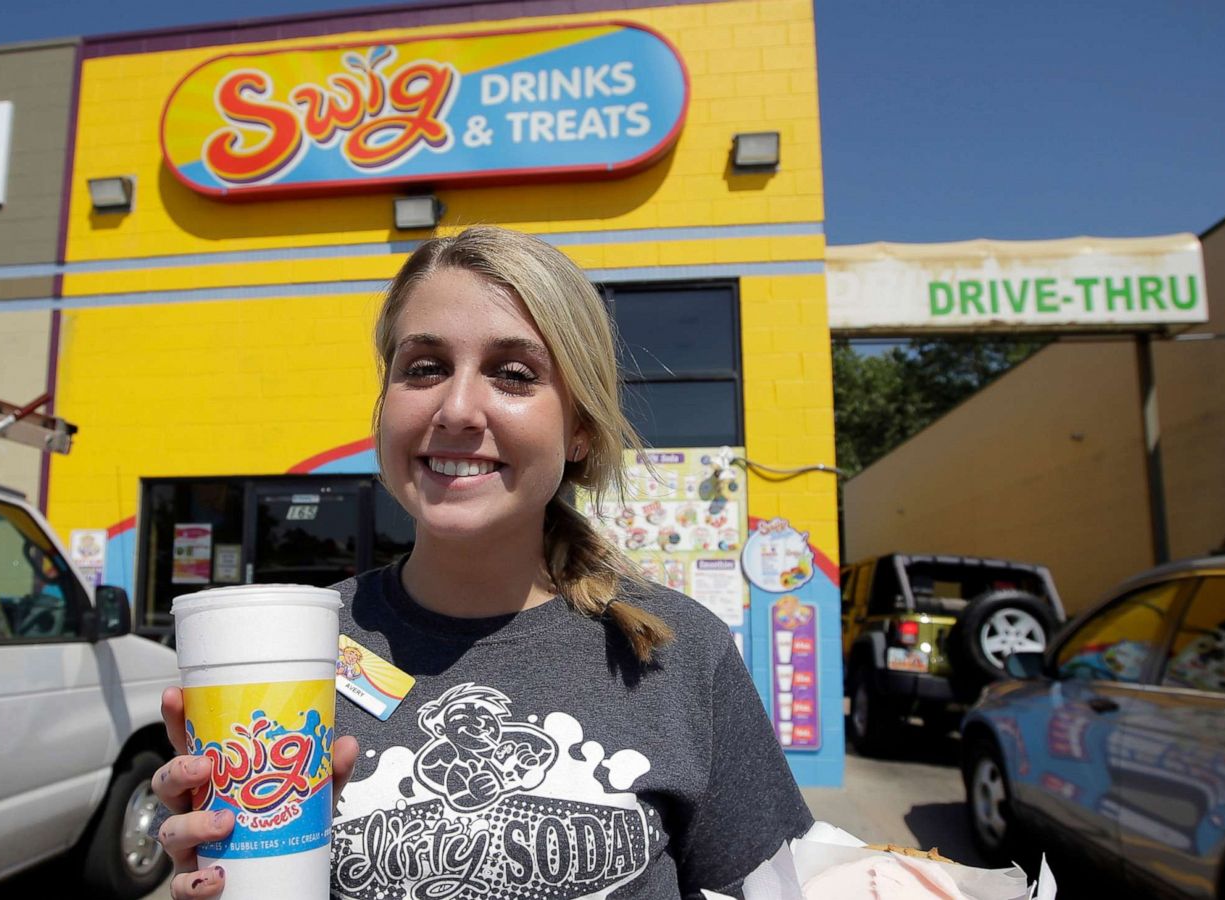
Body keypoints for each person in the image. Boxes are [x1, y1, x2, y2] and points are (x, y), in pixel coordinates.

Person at [149, 225, 814, 899]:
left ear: (580, 429)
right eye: (425, 368)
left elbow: (779, 885)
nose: (458, 408)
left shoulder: (677, 651)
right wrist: (227, 876)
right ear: (384, 407)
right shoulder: (304, 649)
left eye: (514, 374)